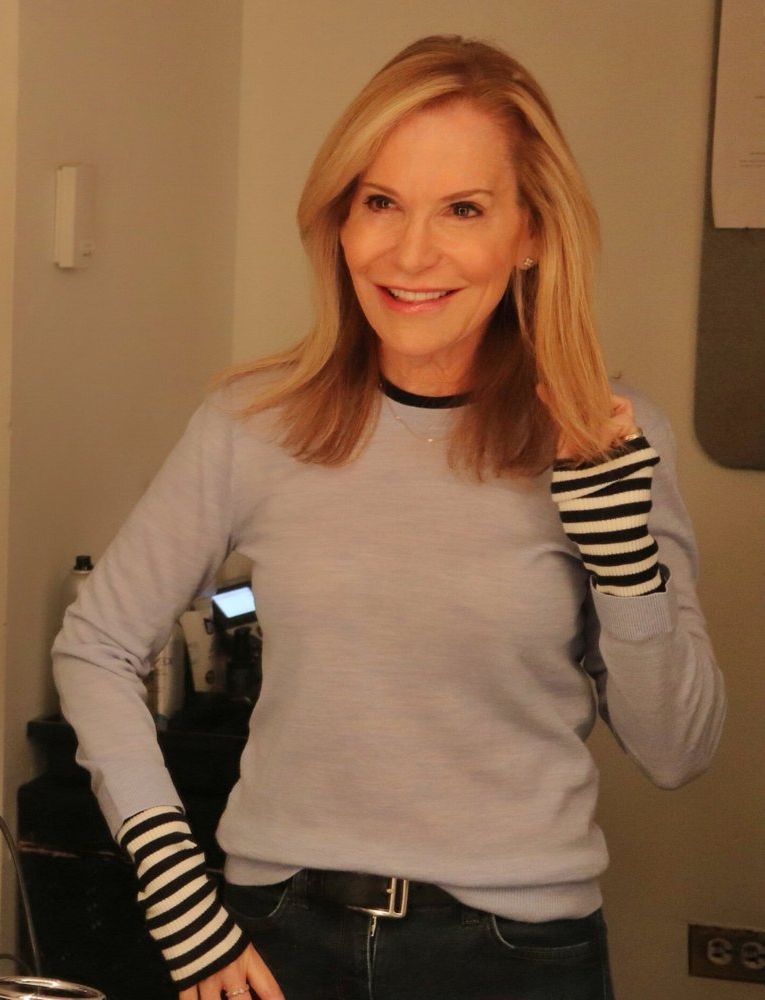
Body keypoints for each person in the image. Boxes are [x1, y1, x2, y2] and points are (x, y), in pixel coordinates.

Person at [51, 34, 725, 1000]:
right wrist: (176, 894)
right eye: (381, 203)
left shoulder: (606, 436)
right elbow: (97, 646)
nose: (411, 254)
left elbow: (678, 751)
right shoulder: (252, 424)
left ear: (531, 233)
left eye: (464, 209)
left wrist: (624, 561)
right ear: (340, 220)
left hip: (514, 957)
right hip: (273, 939)